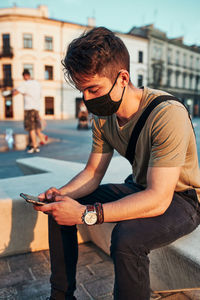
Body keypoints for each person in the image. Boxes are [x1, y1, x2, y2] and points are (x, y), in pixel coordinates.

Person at [35, 27, 200, 300]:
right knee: (59, 209)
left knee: (127, 238)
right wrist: (60, 195)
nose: (86, 99)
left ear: (122, 78)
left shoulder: (167, 114)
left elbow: (159, 199)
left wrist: (86, 214)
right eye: (81, 90)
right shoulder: (104, 116)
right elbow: (92, 172)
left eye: (93, 88)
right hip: (139, 187)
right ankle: (61, 295)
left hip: (182, 200)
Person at [12, 69, 48, 153]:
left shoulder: (25, 84)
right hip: (36, 109)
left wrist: (13, 90)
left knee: (31, 129)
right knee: (36, 128)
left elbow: (15, 93)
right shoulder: (37, 84)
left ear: (25, 76)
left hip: (29, 109)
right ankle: (37, 141)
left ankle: (35, 147)